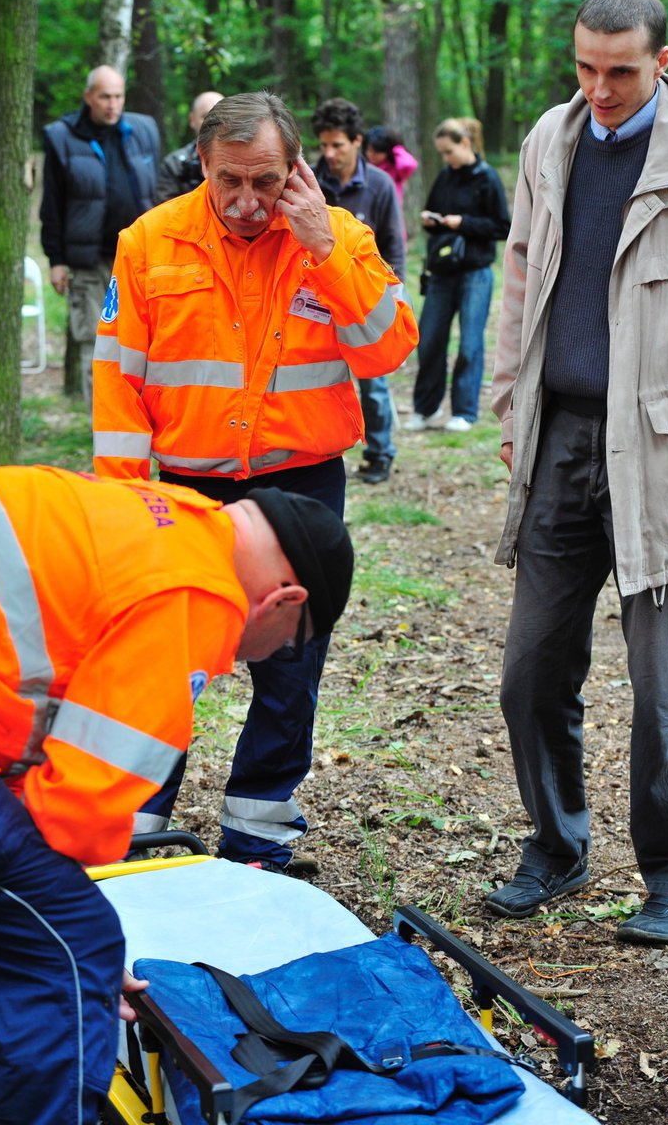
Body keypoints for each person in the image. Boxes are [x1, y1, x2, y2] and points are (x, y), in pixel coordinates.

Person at [0, 463, 353, 1124]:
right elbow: (76, 812)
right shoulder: (198, 593)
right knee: (65, 950)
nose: (248, 660)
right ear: (286, 601)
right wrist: (79, 948)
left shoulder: (168, 515)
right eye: (278, 649)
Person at [93, 90, 417, 871]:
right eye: (228, 180)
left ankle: (261, 829)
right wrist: (127, 504)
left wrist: (324, 252)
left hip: (302, 485)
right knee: (162, 661)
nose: (246, 202)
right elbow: (118, 385)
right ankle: (137, 826)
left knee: (292, 657)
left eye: (265, 182)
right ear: (201, 164)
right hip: (183, 489)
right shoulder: (150, 243)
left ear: (295, 169)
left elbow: (388, 349)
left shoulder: (338, 237)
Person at [490, 0, 668, 944]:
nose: (601, 88)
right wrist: (512, 402)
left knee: (663, 682)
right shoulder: (551, 138)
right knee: (530, 670)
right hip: (558, 436)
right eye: (586, 68)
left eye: (621, 71)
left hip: (661, 444)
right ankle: (556, 844)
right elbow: (520, 270)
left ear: (661, 62)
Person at [40, 65, 160, 407]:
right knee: (97, 344)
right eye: (105, 96)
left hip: (139, 257)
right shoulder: (61, 136)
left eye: (118, 96)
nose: (112, 104)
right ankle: (105, 433)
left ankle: (138, 422)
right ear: (88, 96)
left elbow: (158, 192)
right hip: (90, 260)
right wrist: (56, 260)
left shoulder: (143, 129)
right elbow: (52, 203)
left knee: (144, 342)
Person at [312, 97, 406, 485]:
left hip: (365, 295)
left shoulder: (379, 184)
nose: (330, 153)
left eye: (338, 145)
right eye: (324, 145)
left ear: (357, 142)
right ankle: (319, 450)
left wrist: (393, 296)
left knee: (374, 382)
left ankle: (380, 452)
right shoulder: (310, 181)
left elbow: (393, 244)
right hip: (316, 295)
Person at [405, 117, 510, 433]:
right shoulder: (445, 176)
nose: (445, 159)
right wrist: (431, 220)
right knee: (430, 341)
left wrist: (461, 222)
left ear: (465, 144)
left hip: (475, 273)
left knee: (470, 344)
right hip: (442, 272)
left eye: (449, 151)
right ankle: (426, 408)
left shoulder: (487, 178)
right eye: (442, 153)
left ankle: (464, 411)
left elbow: (502, 227)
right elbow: (432, 209)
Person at [155, 89, 224, 202]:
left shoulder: (244, 159)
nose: (213, 123)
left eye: (220, 116)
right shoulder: (175, 165)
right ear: (192, 120)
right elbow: (166, 213)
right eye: (206, 116)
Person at [363, 124, 419, 213]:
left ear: (387, 150)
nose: (370, 154)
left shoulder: (395, 169)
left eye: (376, 151)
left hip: (390, 215)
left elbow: (409, 164)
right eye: (368, 150)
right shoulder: (364, 168)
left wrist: (397, 148)